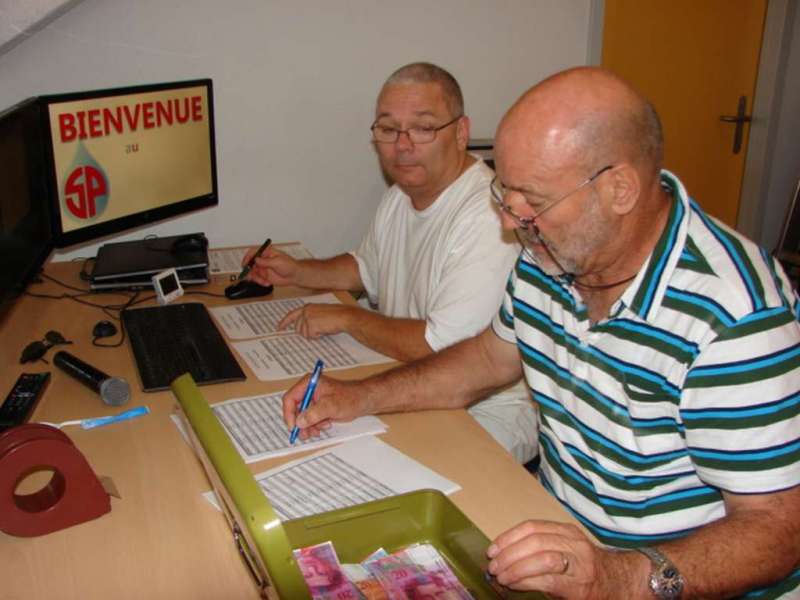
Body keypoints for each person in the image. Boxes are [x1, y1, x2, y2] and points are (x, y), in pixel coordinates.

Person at [280, 67, 800, 598]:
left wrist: (619, 578)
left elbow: (780, 529)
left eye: (533, 199)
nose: (511, 222)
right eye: (506, 194)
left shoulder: (737, 317)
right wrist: (358, 397)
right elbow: (484, 361)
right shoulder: (549, 255)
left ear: (619, 188)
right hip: (564, 543)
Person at [246, 62, 537, 463]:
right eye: (388, 129)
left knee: (335, 465)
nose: (402, 145)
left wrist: (348, 318)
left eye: (422, 127)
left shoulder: (488, 216)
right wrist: (296, 271)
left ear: (460, 132)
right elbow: (366, 268)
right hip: (413, 384)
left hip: (483, 412)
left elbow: (442, 347)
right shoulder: (402, 195)